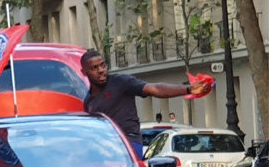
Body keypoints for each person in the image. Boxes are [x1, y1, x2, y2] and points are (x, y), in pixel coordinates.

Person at [80, 49, 209, 159]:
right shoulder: (88, 101)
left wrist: (187, 89)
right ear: (84, 72)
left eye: (103, 65)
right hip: (104, 150)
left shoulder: (121, 82)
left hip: (129, 143)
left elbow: (154, 88)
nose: (101, 70)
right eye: (94, 68)